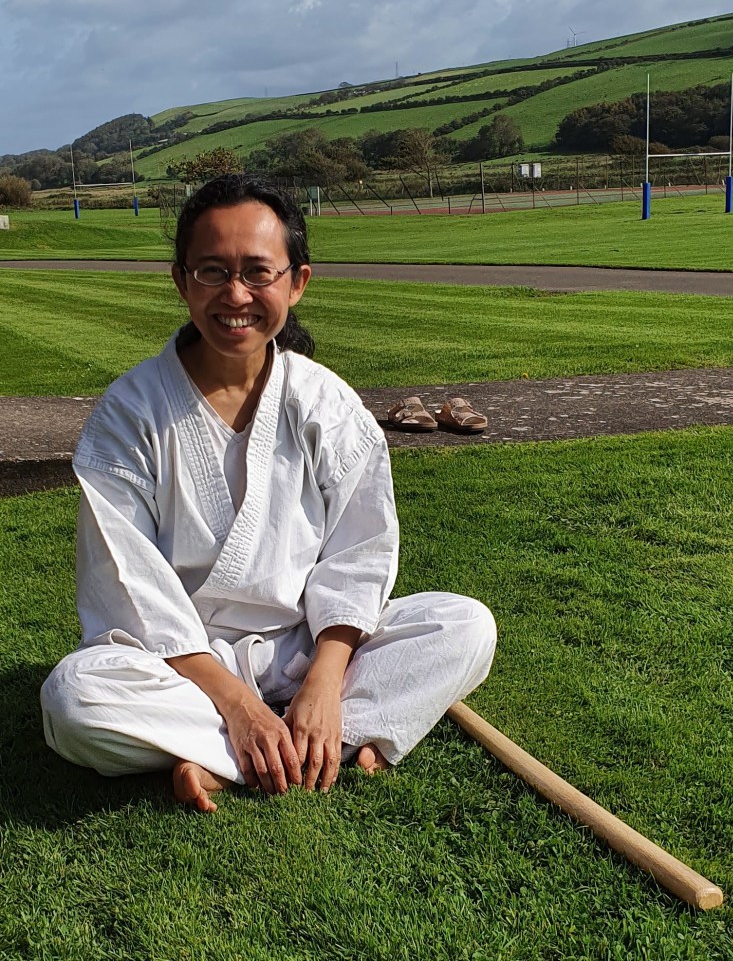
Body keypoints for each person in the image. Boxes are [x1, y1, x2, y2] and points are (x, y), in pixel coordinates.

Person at [41, 175, 496, 812]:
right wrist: (237, 704)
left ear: (296, 282)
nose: (236, 295)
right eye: (212, 271)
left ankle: (234, 751)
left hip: (305, 645)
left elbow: (360, 554)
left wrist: (325, 680)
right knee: (74, 698)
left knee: (464, 625)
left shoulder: (326, 403)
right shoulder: (129, 415)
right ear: (181, 281)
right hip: (182, 665)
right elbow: (130, 587)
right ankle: (310, 743)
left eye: (258, 272)